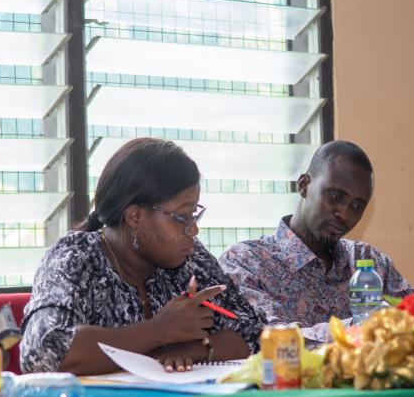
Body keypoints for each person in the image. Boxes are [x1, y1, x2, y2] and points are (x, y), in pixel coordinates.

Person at [21, 138, 263, 375]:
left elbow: (254, 332)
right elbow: (44, 352)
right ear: (135, 217)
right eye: (182, 217)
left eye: (194, 214)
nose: (194, 230)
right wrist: (159, 331)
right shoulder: (75, 257)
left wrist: (191, 350)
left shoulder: (191, 258)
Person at [220, 140, 412, 349]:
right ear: (304, 185)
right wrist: (362, 327)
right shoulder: (246, 261)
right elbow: (267, 339)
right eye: (335, 196)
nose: (345, 214)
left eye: (357, 206)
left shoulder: (371, 263)